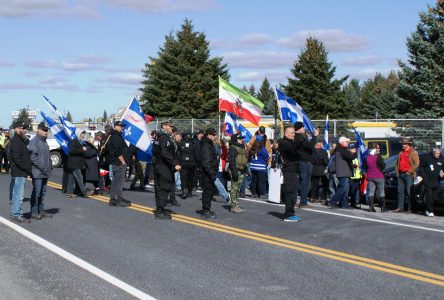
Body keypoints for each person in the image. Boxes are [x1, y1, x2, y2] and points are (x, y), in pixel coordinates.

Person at [152, 120, 181, 219]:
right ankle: (160, 210)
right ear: (164, 126)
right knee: (164, 187)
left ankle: (160, 208)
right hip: (163, 166)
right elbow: (164, 152)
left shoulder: (159, 137)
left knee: (159, 187)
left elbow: (155, 151)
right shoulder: (164, 138)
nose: (171, 128)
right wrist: (174, 163)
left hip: (159, 165)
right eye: (169, 126)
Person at [28, 122, 53, 220]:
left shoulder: (44, 141)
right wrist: (42, 167)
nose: (46, 132)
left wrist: (50, 165)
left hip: (45, 172)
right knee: (37, 192)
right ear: (38, 130)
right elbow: (33, 157)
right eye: (44, 130)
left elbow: (47, 156)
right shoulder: (35, 141)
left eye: (47, 130)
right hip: (37, 172)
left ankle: (40, 210)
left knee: (42, 193)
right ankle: (34, 212)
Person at [278, 125, 303, 222]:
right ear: (286, 133)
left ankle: (291, 213)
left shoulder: (291, 142)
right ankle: (288, 215)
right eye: (292, 133)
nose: (294, 135)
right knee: (290, 192)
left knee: (294, 192)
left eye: (294, 133)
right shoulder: (284, 142)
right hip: (289, 170)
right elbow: (292, 150)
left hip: (294, 169)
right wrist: (298, 138)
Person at [9, 121, 32, 223]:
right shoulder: (16, 141)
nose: (21, 129)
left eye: (22, 128)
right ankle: (16, 214)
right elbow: (18, 159)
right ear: (14, 129)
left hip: (20, 171)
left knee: (17, 193)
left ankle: (16, 213)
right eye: (18, 128)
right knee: (19, 194)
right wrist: (27, 169)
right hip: (19, 172)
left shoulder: (21, 140)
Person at [294, 121, 319, 208]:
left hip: (302, 161)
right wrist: (314, 136)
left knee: (301, 182)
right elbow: (310, 147)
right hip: (304, 162)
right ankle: (303, 202)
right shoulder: (300, 138)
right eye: (302, 127)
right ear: (299, 129)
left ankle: (298, 200)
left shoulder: (297, 137)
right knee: (305, 182)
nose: (304, 129)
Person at [393, 137, 419, 213]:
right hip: (401, 174)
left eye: (405, 144)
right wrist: (397, 172)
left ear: (408, 144)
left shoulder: (413, 152)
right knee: (400, 191)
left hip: (409, 175)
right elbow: (397, 163)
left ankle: (410, 208)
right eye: (403, 144)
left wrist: (409, 171)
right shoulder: (401, 152)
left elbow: (416, 164)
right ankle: (400, 207)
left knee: (409, 192)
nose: (403, 145)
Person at [108, 121, 131, 207]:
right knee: (118, 182)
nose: (122, 128)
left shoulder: (116, 135)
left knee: (115, 181)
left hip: (117, 162)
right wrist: (123, 161)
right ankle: (117, 198)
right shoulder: (115, 136)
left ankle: (114, 198)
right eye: (121, 126)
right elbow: (117, 150)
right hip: (118, 163)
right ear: (116, 126)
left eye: (123, 126)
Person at [328, 136, 356, 209]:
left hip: (344, 172)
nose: (348, 143)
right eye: (346, 141)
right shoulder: (341, 150)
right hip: (343, 172)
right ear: (342, 142)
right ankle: (333, 201)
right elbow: (350, 157)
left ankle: (344, 204)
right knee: (342, 188)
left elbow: (347, 160)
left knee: (344, 189)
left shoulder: (341, 149)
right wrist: (353, 152)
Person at [418, 147, 444, 217]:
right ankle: (430, 211)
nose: (437, 155)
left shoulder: (442, 159)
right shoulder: (427, 158)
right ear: (433, 153)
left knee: (433, 197)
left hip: (437, 181)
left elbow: (443, 169)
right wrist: (424, 177)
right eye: (436, 153)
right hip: (428, 181)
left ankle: (427, 209)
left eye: (438, 153)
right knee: (429, 196)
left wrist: (442, 174)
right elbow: (421, 168)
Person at [200, 128, 219, 218]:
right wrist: (211, 173)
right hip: (207, 173)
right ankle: (206, 211)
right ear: (208, 135)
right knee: (207, 192)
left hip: (211, 172)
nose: (215, 136)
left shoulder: (209, 144)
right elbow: (206, 162)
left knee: (210, 192)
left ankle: (207, 209)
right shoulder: (206, 146)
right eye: (213, 135)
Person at [66, 130, 91, 198]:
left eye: (83, 134)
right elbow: (71, 151)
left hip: (77, 163)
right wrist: (82, 150)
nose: (83, 135)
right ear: (78, 134)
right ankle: (84, 192)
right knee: (79, 178)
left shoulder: (81, 142)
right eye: (81, 134)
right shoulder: (73, 141)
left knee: (71, 178)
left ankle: (69, 192)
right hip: (74, 164)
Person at [228, 133, 249, 213]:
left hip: (241, 169)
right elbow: (232, 161)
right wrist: (234, 172)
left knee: (238, 188)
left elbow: (244, 159)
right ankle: (233, 206)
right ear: (235, 139)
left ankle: (236, 204)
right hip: (235, 170)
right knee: (234, 188)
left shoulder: (241, 147)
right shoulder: (233, 148)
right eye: (239, 139)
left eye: (241, 139)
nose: (241, 140)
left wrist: (245, 169)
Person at [362, 143, 386, 212]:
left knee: (371, 192)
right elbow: (383, 166)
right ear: (375, 149)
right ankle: (383, 208)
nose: (379, 149)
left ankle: (371, 208)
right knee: (381, 192)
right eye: (378, 148)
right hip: (379, 176)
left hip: (370, 176)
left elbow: (364, 167)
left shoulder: (366, 157)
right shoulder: (378, 157)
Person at [179, 133, 195, 199]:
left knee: (188, 178)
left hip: (190, 163)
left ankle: (187, 192)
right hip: (186, 163)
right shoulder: (181, 144)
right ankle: (186, 192)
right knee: (185, 178)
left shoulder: (193, 143)